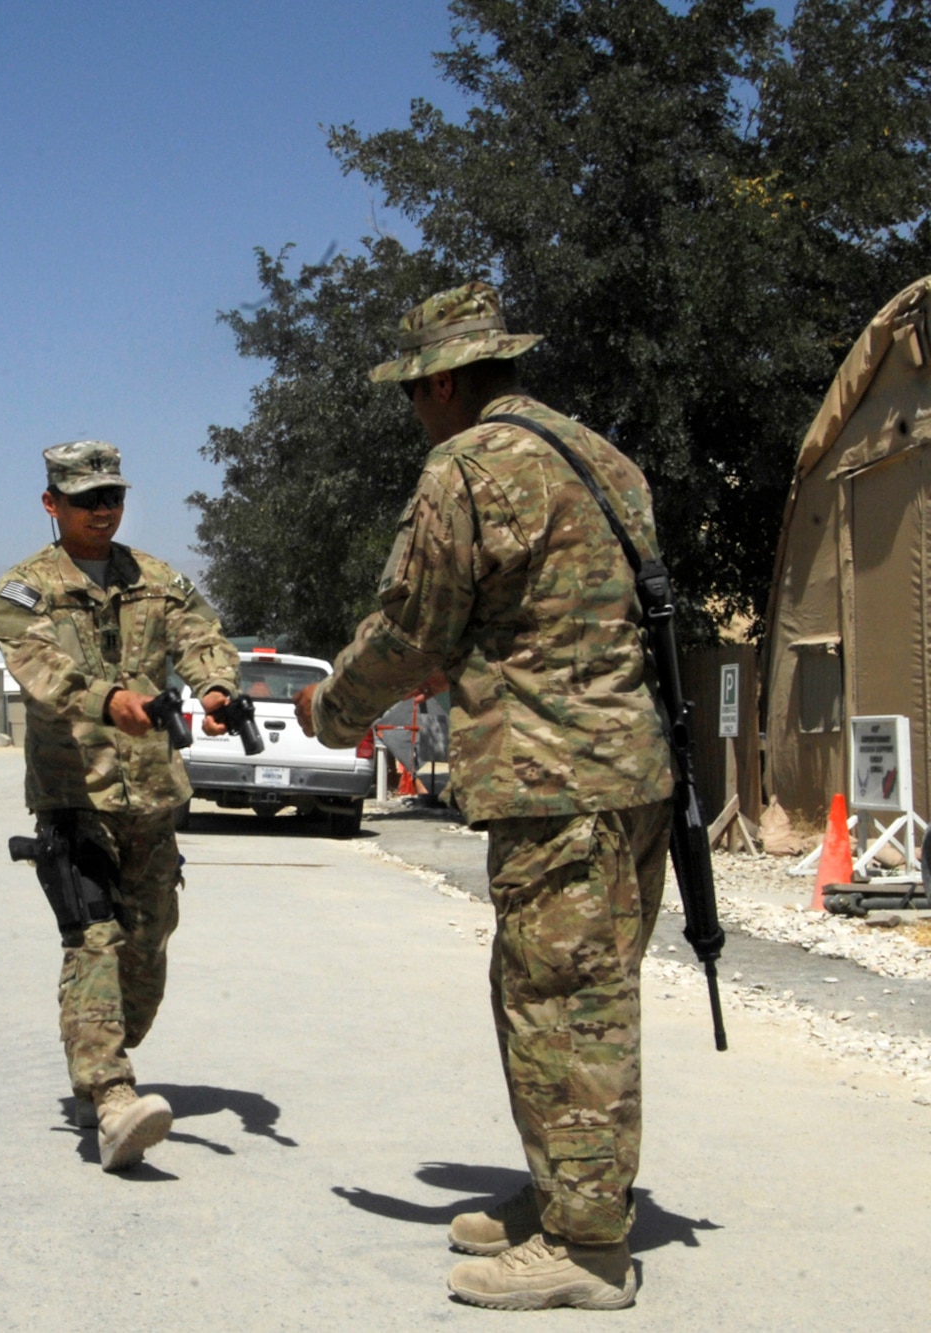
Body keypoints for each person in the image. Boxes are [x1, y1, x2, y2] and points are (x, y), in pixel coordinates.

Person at [294, 282, 672, 1311]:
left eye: (417, 390)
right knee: (557, 994)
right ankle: (561, 1194)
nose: (415, 409)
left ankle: (586, 1246)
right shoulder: (605, 459)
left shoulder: (466, 467)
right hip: (630, 772)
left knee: (563, 1004)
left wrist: (331, 707)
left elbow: (413, 623)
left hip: (554, 783)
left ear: (449, 380)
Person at [0, 441, 241, 1173]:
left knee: (147, 947)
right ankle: (109, 1095)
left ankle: (102, 1046)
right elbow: (40, 667)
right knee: (94, 937)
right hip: (76, 795)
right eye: (86, 498)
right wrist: (110, 701)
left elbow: (203, 638)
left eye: (113, 496)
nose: (103, 510)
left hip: (154, 796)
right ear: (52, 504)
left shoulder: (157, 578)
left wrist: (217, 689)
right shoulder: (23, 588)